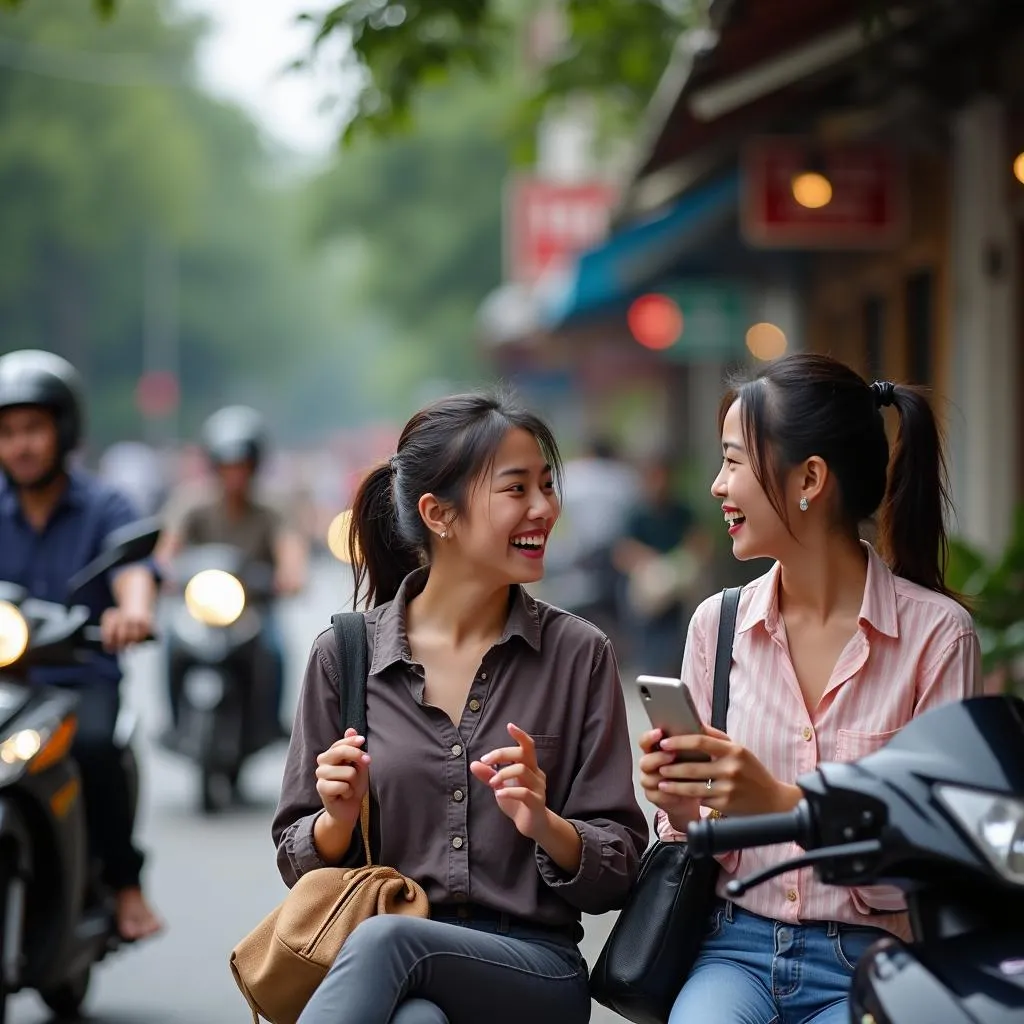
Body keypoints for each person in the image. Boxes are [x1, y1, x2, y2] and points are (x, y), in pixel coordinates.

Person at [273, 392, 647, 1024]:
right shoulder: (345, 655)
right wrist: (336, 820)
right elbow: (293, 851)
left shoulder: (578, 653)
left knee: (391, 944)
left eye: (546, 485)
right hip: (386, 956)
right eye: (515, 489)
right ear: (438, 514)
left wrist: (542, 820)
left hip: (533, 967)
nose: (543, 509)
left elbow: (617, 868)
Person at [637, 354, 980, 1024]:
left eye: (734, 462)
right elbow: (691, 838)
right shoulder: (719, 623)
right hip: (730, 950)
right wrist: (679, 808)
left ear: (810, 480)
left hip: (876, 961)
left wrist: (785, 802)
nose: (716, 485)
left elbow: (948, 852)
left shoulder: (939, 637)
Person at [0, 349, 163, 941]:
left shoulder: (104, 504)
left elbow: (134, 569)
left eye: (33, 429)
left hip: (81, 679)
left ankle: (125, 887)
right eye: (9, 432)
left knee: (94, 749)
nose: (21, 445)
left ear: (62, 430)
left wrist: (132, 612)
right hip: (8, 684)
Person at [157, 405, 308, 736]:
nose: (234, 474)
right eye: (227, 466)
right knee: (171, 645)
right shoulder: (192, 502)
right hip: (200, 611)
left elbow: (290, 550)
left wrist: (290, 576)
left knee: (276, 649)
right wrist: (163, 573)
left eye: (242, 465)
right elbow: (168, 547)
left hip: (252, 608)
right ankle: (174, 723)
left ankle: (269, 723)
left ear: (255, 466)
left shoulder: (272, 508)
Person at [614, 455, 709, 674]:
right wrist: (650, 560)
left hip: (678, 580)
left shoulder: (681, 511)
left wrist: (682, 559)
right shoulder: (637, 513)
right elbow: (623, 551)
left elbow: (699, 541)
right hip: (647, 583)